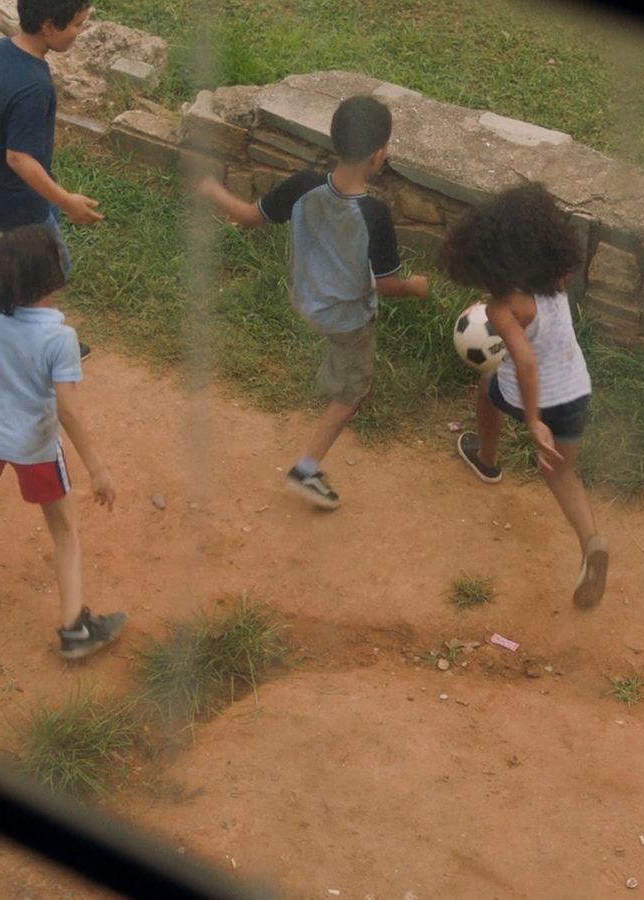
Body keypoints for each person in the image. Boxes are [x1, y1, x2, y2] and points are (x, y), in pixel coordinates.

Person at [195, 95, 430, 509]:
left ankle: (332, 377)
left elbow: (249, 217)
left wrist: (214, 189)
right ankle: (306, 469)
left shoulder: (304, 185)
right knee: (349, 396)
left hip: (305, 300)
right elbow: (387, 284)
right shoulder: (374, 214)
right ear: (378, 156)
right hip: (346, 319)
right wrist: (416, 286)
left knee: (340, 367)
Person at [0, 224, 124, 659]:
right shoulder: (59, 338)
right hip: (35, 448)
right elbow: (67, 409)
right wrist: (96, 468)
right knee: (63, 529)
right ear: (52, 277)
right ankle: (73, 628)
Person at [445, 183, 609, 609]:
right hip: (576, 393)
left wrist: (534, 420)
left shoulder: (503, 308)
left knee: (487, 386)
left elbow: (525, 362)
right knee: (560, 473)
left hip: (529, 398)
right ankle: (591, 541)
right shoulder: (557, 278)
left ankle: (487, 459)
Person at [0, 0, 102, 357]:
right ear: (49, 26)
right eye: (76, 26)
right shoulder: (34, 85)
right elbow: (19, 159)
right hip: (10, 190)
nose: (79, 33)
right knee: (48, 265)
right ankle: (41, 337)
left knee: (20, 236)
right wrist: (66, 201)